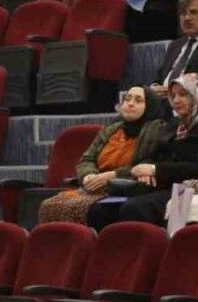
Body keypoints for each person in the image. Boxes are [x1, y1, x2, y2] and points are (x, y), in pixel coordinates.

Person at [89, 73, 198, 229]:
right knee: (101, 210)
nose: (176, 100)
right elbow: (154, 153)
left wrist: (155, 170)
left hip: (194, 188)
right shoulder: (176, 124)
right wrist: (147, 170)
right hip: (163, 185)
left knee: (134, 208)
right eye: (173, 95)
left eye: (183, 95)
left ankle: (155, 245)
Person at [37, 86, 165, 224]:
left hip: (124, 187)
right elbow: (87, 159)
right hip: (95, 186)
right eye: (127, 99)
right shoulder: (110, 130)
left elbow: (147, 165)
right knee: (49, 205)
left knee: (93, 209)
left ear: (150, 106)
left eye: (138, 100)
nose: (130, 103)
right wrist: (88, 175)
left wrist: (112, 176)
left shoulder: (157, 131)